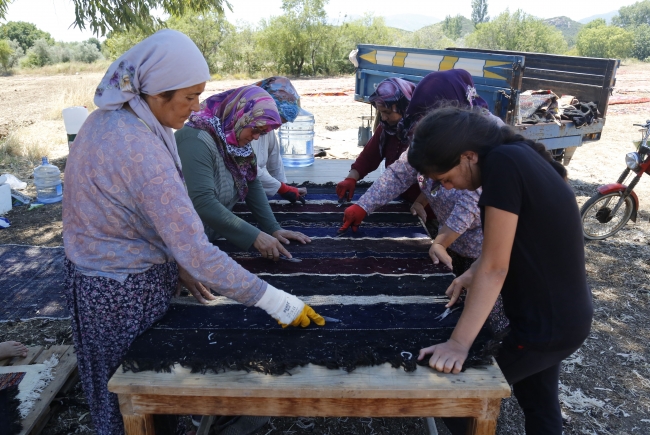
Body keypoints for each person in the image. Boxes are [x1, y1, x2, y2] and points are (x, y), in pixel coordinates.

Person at [62, 30, 324, 435]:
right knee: (139, 398)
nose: (196, 106)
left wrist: (174, 261)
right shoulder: (140, 148)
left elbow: (131, 214)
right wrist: (277, 302)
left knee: (139, 392)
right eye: (188, 97)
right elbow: (198, 249)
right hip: (120, 293)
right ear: (155, 93)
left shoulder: (113, 121)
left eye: (200, 95)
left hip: (106, 279)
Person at [410, 106, 592, 435]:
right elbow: (513, 244)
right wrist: (470, 272)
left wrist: (457, 344)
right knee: (539, 403)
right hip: (560, 318)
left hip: (546, 327)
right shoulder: (516, 155)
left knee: (461, 403)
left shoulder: (504, 166)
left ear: (468, 156)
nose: (448, 188)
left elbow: (496, 267)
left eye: (447, 178)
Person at [175, 85, 310, 261]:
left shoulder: (233, 138)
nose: (255, 138)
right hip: (182, 240)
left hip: (209, 234)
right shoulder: (196, 139)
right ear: (239, 115)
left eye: (261, 133)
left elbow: (251, 181)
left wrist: (273, 228)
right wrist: (255, 236)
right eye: (255, 129)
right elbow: (202, 202)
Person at [335, 77, 420, 204]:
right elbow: (369, 156)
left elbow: (429, 178)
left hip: (427, 203)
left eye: (387, 112)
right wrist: (351, 178)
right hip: (402, 197)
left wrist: (420, 203)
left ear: (405, 107)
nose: (384, 118)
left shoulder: (422, 131)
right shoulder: (387, 128)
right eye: (381, 112)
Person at [250, 76, 307, 204]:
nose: (276, 127)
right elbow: (248, 168)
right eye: (277, 120)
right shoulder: (243, 127)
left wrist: (286, 187)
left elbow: (274, 160)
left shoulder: (267, 126)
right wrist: (283, 189)